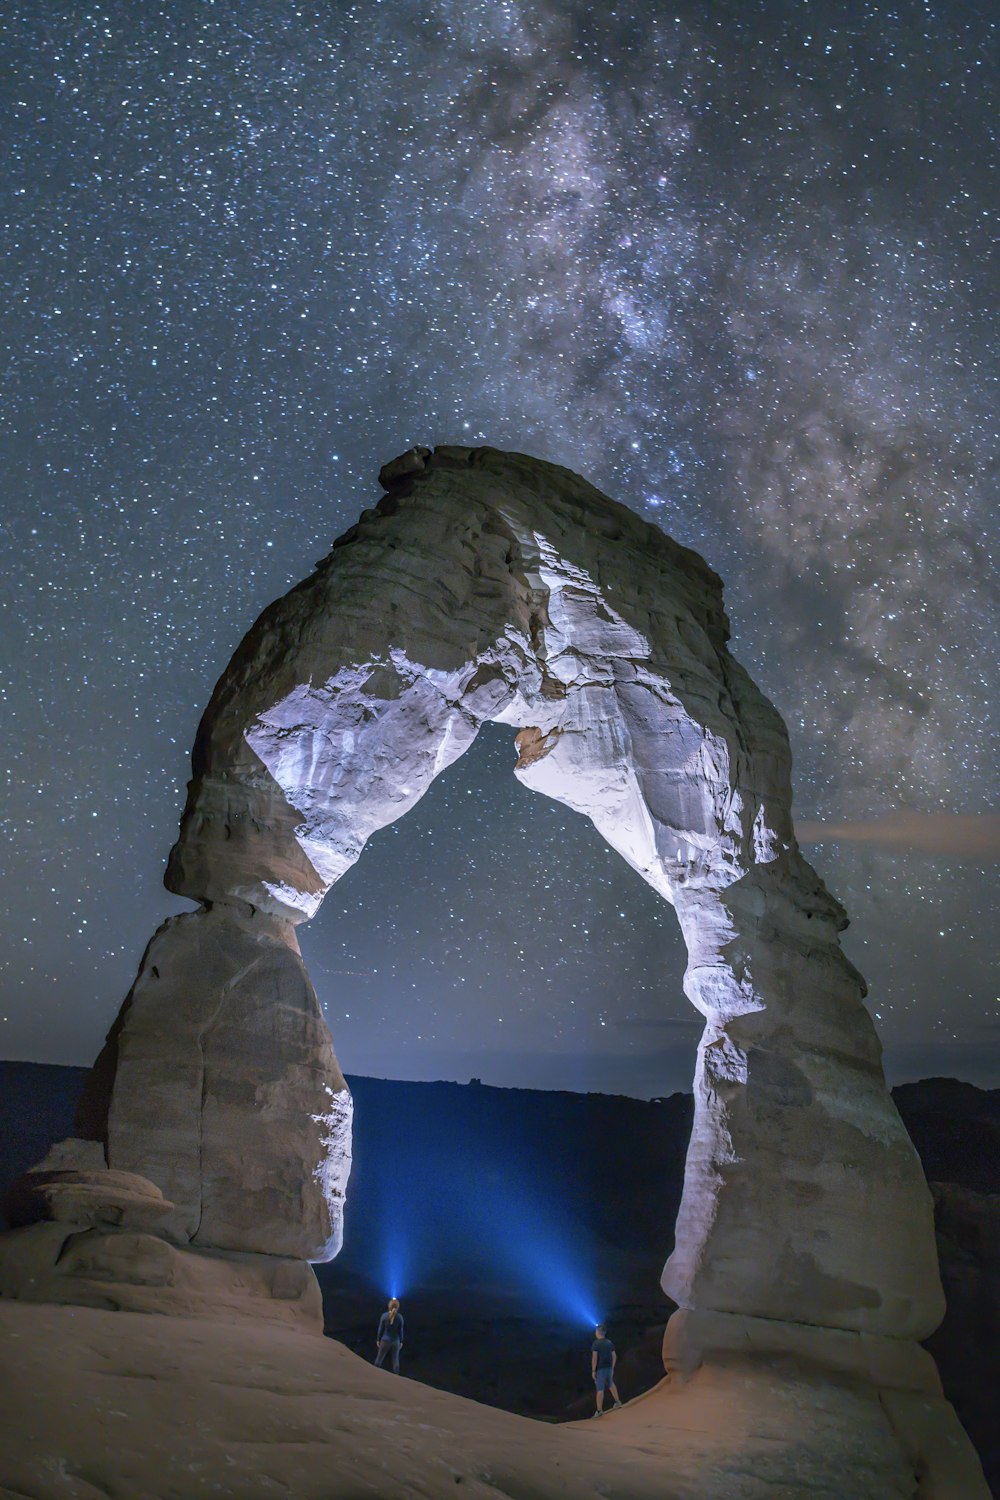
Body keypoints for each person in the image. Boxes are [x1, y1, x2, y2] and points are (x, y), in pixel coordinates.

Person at [590, 1324, 622, 1415]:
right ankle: (617, 1401)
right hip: (609, 1368)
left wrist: (593, 1371)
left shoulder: (596, 1343)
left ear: (598, 1332)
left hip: (600, 1369)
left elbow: (594, 1358)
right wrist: (612, 1367)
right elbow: (614, 1356)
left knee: (600, 1389)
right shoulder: (609, 1342)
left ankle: (599, 1410)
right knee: (611, 1384)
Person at [374, 1297, 404, 1373]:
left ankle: (374, 1375)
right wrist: (401, 1341)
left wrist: (378, 1339)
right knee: (395, 1361)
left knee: (379, 1359)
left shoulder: (384, 1316)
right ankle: (397, 1379)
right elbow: (401, 1331)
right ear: (398, 1307)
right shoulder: (400, 1317)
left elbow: (380, 1329)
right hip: (396, 1341)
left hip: (385, 1340)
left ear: (389, 1306)